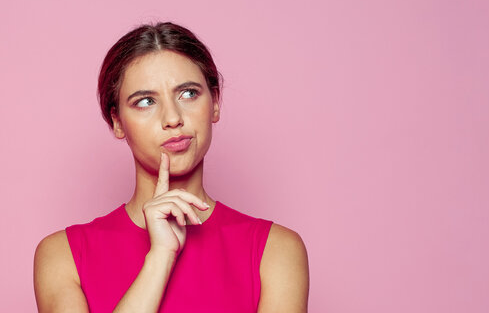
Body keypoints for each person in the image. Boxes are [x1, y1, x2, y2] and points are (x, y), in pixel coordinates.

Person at [33, 22, 309, 312]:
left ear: (215, 102)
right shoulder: (62, 256)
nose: (173, 118)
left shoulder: (276, 250)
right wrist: (160, 257)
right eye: (145, 101)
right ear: (117, 122)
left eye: (188, 94)